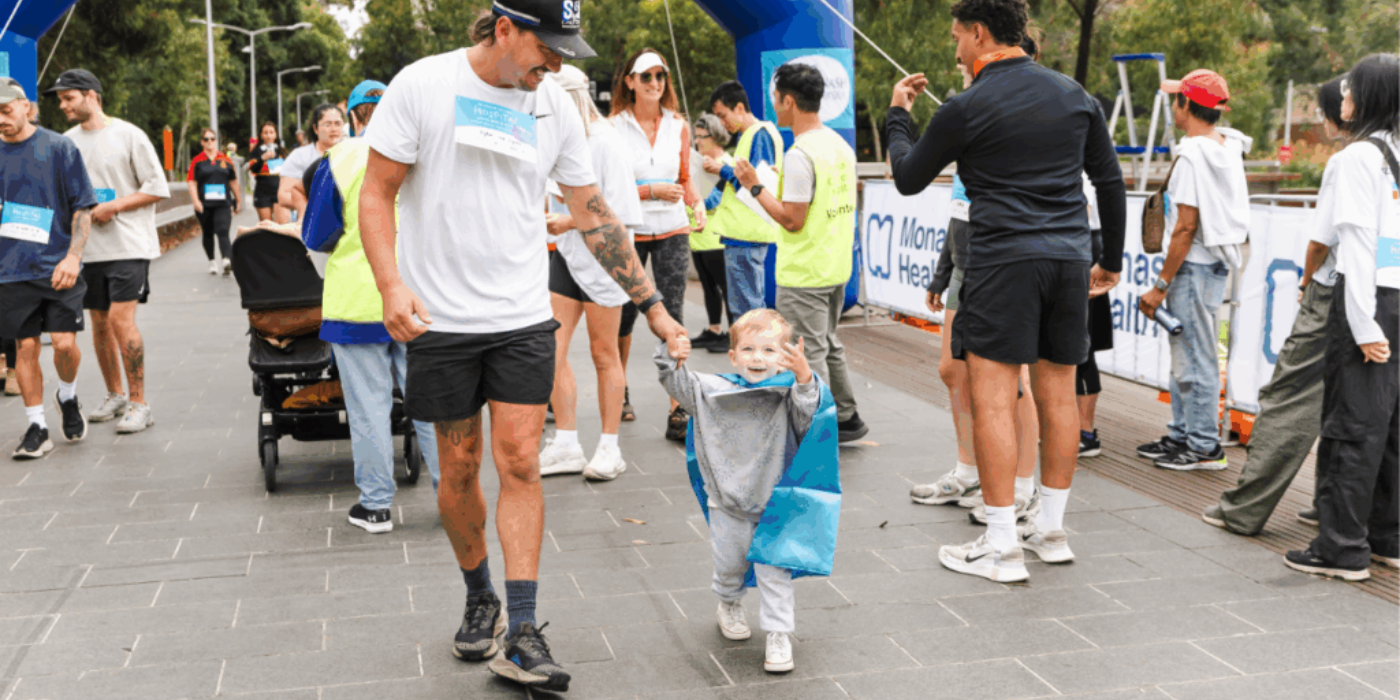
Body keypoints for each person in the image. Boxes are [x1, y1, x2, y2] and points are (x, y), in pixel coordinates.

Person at [358, 3, 686, 692]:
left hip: (521, 315)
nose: (558, 66)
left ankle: (526, 628)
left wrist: (651, 304)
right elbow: (376, 194)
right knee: (456, 472)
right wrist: (391, 286)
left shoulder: (555, 105)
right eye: (547, 47)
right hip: (440, 322)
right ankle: (481, 593)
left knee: (520, 462)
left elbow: (592, 211)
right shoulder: (421, 85)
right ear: (503, 28)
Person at [887, 0, 1126, 582]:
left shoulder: (967, 106)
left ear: (978, 32)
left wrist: (899, 114)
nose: (956, 48)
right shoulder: (1074, 94)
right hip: (1068, 259)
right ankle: (1049, 530)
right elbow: (1109, 178)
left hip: (1001, 263)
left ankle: (1000, 545)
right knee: (1058, 396)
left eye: (956, 37)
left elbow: (907, 176)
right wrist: (1111, 259)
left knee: (994, 398)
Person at [654, 309, 839, 675]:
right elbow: (676, 382)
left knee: (775, 573)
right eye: (750, 349)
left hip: (776, 505)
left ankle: (778, 633)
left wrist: (804, 378)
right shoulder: (711, 391)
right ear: (733, 356)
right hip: (727, 503)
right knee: (730, 567)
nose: (758, 358)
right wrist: (670, 351)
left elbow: (809, 417)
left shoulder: (789, 392)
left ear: (785, 355)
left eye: (770, 351)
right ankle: (729, 602)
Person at [1203, 77, 1349, 535]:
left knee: (1288, 398)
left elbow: (1321, 241)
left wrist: (1307, 280)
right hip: (1383, 295)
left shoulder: (1350, 160)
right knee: (1359, 406)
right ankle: (1342, 506)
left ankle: (1243, 509)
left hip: (1334, 290)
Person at [302, 80, 442, 534]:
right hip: (418, 298)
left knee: (368, 408)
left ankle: (377, 506)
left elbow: (317, 235)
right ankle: (454, 498)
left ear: (355, 116)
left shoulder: (339, 159)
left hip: (356, 305)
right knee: (431, 406)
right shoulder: (425, 156)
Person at [909, 53, 1041, 522]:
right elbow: (958, 205)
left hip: (1002, 258)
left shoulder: (1016, 111)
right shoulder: (967, 108)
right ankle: (969, 470)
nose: (959, 57)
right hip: (965, 262)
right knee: (952, 369)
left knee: (1016, 382)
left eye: (963, 46)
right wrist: (943, 271)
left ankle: (1024, 486)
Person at [1285, 54, 1400, 581]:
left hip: (1369, 300)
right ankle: (1386, 537)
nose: (1343, 98)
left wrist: (1362, 324)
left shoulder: (1358, 159)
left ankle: (1341, 547)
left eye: (1352, 90)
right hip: (1395, 299)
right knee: (1391, 426)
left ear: (1372, 97)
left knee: (1352, 425)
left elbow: (1356, 243)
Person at [731, 63, 869, 444]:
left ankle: (817, 428)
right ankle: (845, 416)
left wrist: (755, 186)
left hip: (805, 270)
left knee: (807, 353)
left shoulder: (799, 154)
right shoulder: (837, 145)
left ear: (789, 100)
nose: (774, 105)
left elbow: (792, 220)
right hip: (836, 265)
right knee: (829, 343)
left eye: (776, 98)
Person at [1136, 69, 1251, 472]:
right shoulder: (1226, 146)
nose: (1172, 107)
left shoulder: (1192, 156)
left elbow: (1184, 227)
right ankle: (1184, 434)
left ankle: (1203, 445)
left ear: (1187, 104)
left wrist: (1160, 285)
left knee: (1194, 358)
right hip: (1213, 263)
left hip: (1192, 268)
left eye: (1176, 99)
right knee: (1189, 352)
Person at [537, 65, 644, 481]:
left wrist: (570, 222)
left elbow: (620, 218)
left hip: (605, 260)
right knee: (550, 351)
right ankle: (565, 441)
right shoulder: (560, 139)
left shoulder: (606, 144)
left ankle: (609, 446)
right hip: (566, 255)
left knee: (605, 354)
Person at [50, 69, 169, 434]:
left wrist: (113, 206)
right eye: (60, 100)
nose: (62, 105)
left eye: (68, 98)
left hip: (129, 245)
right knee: (99, 324)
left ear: (92, 95)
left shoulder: (129, 135)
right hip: (86, 251)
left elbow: (157, 188)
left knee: (120, 319)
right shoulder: (65, 143)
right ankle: (114, 394)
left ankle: (140, 403)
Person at [610, 49, 706, 442]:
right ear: (629, 81)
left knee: (674, 314)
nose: (654, 83)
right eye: (645, 76)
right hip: (629, 230)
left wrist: (695, 201)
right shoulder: (612, 127)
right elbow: (606, 187)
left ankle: (678, 406)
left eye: (660, 76)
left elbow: (684, 176)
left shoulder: (678, 125)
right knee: (623, 317)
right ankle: (618, 392)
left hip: (671, 229)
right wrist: (648, 190)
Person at [0, 77, 98, 459]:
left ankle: (67, 396)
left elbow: (83, 206)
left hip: (59, 266)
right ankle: (37, 425)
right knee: (24, 348)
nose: (2, 119)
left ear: (26, 106)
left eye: (7, 110)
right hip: (10, 270)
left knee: (64, 345)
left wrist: (73, 256)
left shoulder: (59, 148)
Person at [706, 81, 782, 320]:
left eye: (723, 115)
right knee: (747, 307)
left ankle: (753, 357)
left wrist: (721, 170)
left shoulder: (757, 135)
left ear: (739, 108)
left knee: (746, 311)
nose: (722, 123)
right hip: (744, 234)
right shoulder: (754, 135)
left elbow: (755, 185)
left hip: (747, 235)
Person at [691, 113, 732, 352]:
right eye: (695, 137)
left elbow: (712, 200)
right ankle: (714, 330)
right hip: (697, 237)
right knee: (707, 287)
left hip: (718, 238)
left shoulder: (726, 164)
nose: (697, 142)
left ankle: (732, 334)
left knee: (727, 289)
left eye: (701, 137)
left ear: (715, 136)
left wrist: (693, 198)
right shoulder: (699, 162)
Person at [187, 128, 242, 275]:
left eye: (212, 139)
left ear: (217, 141)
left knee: (223, 230)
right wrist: (196, 201)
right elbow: (191, 182)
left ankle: (226, 260)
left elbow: (233, 181)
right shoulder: (197, 161)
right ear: (202, 142)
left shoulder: (225, 159)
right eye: (206, 139)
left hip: (223, 202)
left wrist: (238, 200)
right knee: (208, 233)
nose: (209, 142)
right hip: (205, 203)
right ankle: (211, 260)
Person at [280, 104, 345, 221]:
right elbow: (283, 195)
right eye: (327, 124)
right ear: (316, 128)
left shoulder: (353, 152)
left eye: (338, 124)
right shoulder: (299, 156)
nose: (334, 129)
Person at [246, 121, 288, 224]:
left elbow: (289, 170)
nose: (268, 135)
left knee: (282, 227)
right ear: (261, 135)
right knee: (267, 227)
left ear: (276, 134)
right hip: (262, 192)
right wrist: (262, 158)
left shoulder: (281, 150)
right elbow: (252, 168)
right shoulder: (256, 151)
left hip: (279, 191)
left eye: (271, 132)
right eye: (265, 132)